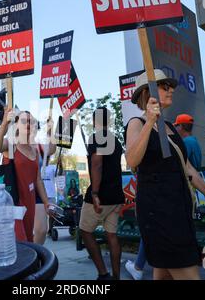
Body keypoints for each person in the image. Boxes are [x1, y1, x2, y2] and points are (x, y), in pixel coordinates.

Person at [125, 69, 205, 280]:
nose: (171, 90)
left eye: (171, 86)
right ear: (148, 93)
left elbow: (188, 169)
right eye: (165, 86)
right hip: (158, 213)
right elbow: (132, 160)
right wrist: (149, 121)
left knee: (164, 274)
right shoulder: (136, 124)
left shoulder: (169, 127)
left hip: (179, 209)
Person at [79, 107, 125, 280]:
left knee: (85, 231)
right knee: (112, 236)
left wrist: (95, 193)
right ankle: (116, 277)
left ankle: (103, 274)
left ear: (94, 121)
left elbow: (97, 164)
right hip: (116, 196)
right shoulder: (115, 140)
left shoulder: (97, 137)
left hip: (101, 196)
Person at [0, 108, 52, 243]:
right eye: (24, 121)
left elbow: (37, 180)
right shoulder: (12, 145)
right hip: (13, 201)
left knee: (29, 239)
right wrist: (4, 123)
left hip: (29, 201)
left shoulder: (35, 151)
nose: (28, 124)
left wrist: (46, 203)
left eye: (31, 122)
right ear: (17, 125)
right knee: (19, 241)